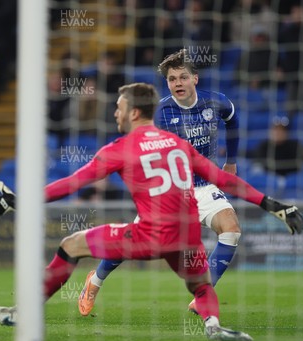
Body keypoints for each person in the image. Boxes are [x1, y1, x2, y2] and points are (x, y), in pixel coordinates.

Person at [0, 83, 303, 341]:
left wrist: (21, 200)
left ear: (134, 112)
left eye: (119, 107)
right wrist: (271, 205)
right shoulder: (178, 144)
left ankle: (25, 313)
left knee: (70, 245)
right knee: (202, 286)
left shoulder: (119, 148)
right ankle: (214, 327)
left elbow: (72, 183)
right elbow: (224, 179)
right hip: (187, 238)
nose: (115, 113)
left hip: (150, 236)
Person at [82, 49, 245, 317]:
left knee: (231, 229)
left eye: (183, 77)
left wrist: (232, 161)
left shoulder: (217, 103)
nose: (178, 83)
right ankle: (94, 282)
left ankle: (204, 295)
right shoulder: (160, 112)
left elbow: (233, 120)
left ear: (195, 79)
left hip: (204, 186)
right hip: (168, 191)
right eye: (172, 79)